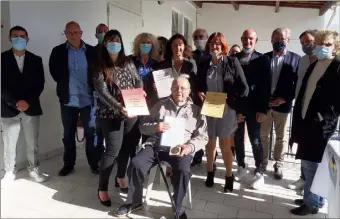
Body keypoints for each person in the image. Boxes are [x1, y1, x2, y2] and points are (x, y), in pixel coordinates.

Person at [114, 76, 208, 219]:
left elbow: (203, 137)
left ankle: (178, 206)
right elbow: (142, 126)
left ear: (189, 91)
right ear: (170, 89)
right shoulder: (161, 105)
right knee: (136, 164)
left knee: (183, 171)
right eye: (176, 87)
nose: (179, 91)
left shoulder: (196, 111)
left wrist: (190, 147)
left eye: (183, 88)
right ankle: (134, 202)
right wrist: (156, 127)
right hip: (156, 146)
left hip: (180, 148)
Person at [289, 29, 340, 216]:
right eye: (319, 43)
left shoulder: (337, 66)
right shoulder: (315, 64)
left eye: (327, 44)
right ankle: (312, 198)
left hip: (320, 126)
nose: (322, 47)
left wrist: (324, 117)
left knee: (312, 165)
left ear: (335, 47)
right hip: (305, 121)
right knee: (307, 164)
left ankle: (311, 203)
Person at [93, 29, 143, 206]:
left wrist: (140, 92)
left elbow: (137, 80)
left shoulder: (128, 61)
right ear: (105, 44)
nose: (114, 44)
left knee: (127, 148)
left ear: (121, 43)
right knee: (112, 151)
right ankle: (102, 189)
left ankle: (121, 177)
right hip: (111, 114)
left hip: (131, 112)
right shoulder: (99, 64)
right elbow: (102, 92)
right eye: (110, 41)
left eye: (117, 40)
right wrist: (120, 107)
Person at [197, 32, 249, 192]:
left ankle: (228, 175)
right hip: (209, 108)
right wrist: (199, 92)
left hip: (227, 110)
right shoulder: (204, 62)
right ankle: (210, 173)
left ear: (223, 46)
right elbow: (198, 85)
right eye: (212, 43)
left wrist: (235, 105)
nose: (215, 46)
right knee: (210, 145)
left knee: (225, 145)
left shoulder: (232, 62)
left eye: (218, 43)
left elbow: (244, 88)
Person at [49, 21, 99, 176]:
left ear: (81, 33)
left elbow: (97, 73)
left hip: (88, 100)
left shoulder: (91, 51)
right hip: (68, 100)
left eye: (76, 32)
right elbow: (54, 72)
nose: (73, 35)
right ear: (65, 34)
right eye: (69, 32)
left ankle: (94, 163)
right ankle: (68, 164)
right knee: (68, 134)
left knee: (91, 133)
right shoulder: (58, 51)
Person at [1, 26, 47, 184]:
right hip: (8, 108)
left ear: (27, 38)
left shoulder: (36, 60)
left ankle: (33, 169)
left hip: (31, 107)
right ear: (9, 38)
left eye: (22, 36)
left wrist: (27, 101)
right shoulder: (2, 59)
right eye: (15, 36)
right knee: (9, 142)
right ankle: (8, 171)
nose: (19, 39)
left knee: (32, 142)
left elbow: (39, 84)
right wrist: (14, 102)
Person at [260, 28, 301, 179]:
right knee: (263, 136)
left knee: (281, 137)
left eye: (282, 39)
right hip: (265, 105)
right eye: (275, 39)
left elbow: (298, 85)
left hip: (283, 106)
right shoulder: (264, 58)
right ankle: (263, 162)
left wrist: (285, 99)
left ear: (288, 40)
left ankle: (279, 164)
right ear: (271, 40)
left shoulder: (296, 59)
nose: (278, 42)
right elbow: (258, 83)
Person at [233, 29, 270, 189]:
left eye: (251, 39)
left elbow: (266, 86)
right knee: (238, 138)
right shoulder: (234, 58)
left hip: (255, 109)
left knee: (255, 140)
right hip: (238, 108)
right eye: (245, 38)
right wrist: (233, 109)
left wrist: (264, 110)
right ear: (241, 39)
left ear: (256, 40)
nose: (247, 41)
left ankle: (259, 171)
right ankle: (241, 165)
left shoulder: (263, 59)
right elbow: (231, 84)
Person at [288, 29, 317, 191]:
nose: (307, 45)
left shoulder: (325, 62)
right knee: (301, 145)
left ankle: (311, 185)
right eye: (303, 43)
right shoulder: (303, 60)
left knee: (311, 149)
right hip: (300, 108)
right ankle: (303, 177)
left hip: (315, 113)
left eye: (309, 41)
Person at [158, 34, 199, 105]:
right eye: (174, 45)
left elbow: (194, 85)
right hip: (167, 102)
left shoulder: (190, 65)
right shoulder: (162, 65)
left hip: (184, 102)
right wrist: (156, 85)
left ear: (184, 46)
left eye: (180, 45)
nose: (178, 47)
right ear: (170, 47)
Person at [129, 32, 159, 108]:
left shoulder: (157, 64)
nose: (146, 45)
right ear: (138, 45)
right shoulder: (130, 60)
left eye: (148, 42)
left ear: (152, 46)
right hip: (133, 99)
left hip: (151, 100)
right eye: (143, 42)